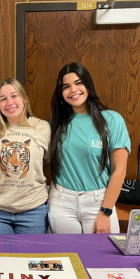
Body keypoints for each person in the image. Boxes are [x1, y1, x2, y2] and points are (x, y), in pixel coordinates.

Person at [49, 62, 130, 234]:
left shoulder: (112, 120)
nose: (73, 90)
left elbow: (119, 170)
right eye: (66, 86)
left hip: (99, 202)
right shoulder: (56, 123)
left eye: (78, 83)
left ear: (88, 85)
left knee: (103, 259)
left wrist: (105, 212)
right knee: (67, 257)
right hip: (62, 201)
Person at [0, 78, 50, 234]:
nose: (9, 102)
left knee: (30, 258)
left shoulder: (42, 127)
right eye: (3, 99)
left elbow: (46, 162)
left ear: (23, 98)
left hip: (33, 209)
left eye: (14, 96)